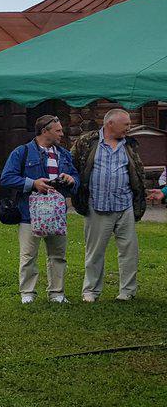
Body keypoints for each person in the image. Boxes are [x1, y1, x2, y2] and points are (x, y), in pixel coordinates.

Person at [0, 115, 79, 305]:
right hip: (29, 213)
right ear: (45, 131)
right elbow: (6, 178)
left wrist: (72, 180)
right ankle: (27, 293)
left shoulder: (64, 154)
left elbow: (76, 178)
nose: (62, 133)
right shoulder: (22, 152)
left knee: (58, 255)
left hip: (57, 215)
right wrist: (32, 183)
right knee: (28, 255)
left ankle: (57, 293)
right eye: (58, 130)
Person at [72, 108, 145, 302]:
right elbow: (72, 164)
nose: (129, 128)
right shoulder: (87, 142)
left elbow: (137, 171)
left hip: (124, 205)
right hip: (97, 205)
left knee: (129, 252)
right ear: (110, 124)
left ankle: (127, 292)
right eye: (126, 124)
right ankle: (91, 292)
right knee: (94, 253)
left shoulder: (129, 144)